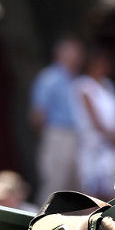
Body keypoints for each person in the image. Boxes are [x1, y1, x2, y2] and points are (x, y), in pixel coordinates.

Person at [30, 36, 84, 205]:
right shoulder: (49, 78)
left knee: (75, 186)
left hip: (77, 136)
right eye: (74, 51)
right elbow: (37, 113)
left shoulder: (76, 79)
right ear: (61, 53)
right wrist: (49, 136)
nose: (79, 55)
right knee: (54, 183)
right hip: (57, 134)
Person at [73, 47, 115, 201]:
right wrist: (110, 135)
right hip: (93, 143)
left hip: (112, 143)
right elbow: (93, 117)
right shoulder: (84, 86)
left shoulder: (108, 85)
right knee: (93, 186)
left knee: (113, 184)